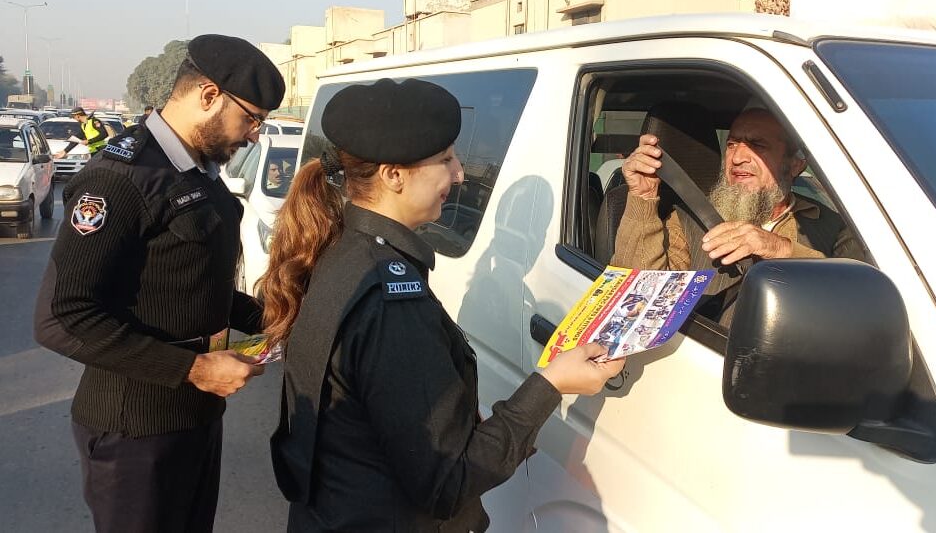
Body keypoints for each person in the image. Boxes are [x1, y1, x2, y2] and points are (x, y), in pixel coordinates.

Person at [262, 78, 624, 532]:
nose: (460, 173)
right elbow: (448, 481)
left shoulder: (345, 250)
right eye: (445, 159)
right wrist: (551, 383)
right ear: (394, 175)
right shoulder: (389, 300)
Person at [33, 34, 286, 533]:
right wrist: (193, 369)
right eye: (251, 118)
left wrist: (276, 316)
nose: (254, 135)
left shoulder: (197, 173)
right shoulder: (122, 179)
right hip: (135, 431)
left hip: (195, 415)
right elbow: (62, 317)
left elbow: (190, 283)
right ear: (209, 96)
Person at [611, 107, 865, 326]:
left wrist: (780, 249)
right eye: (732, 144)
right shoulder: (688, 219)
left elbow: (859, 302)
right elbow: (636, 304)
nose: (738, 158)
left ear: (796, 164)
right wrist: (643, 198)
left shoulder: (835, 225)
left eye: (757, 145)